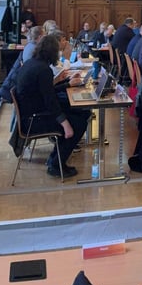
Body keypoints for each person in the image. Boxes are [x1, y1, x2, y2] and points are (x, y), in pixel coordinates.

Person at [14, 34, 90, 178]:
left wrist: (67, 84)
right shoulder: (43, 70)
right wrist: (65, 124)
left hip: (33, 113)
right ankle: (55, 165)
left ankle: (56, 158)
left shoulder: (33, 63)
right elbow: (50, 101)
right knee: (79, 124)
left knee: (81, 112)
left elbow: (47, 91)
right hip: (34, 120)